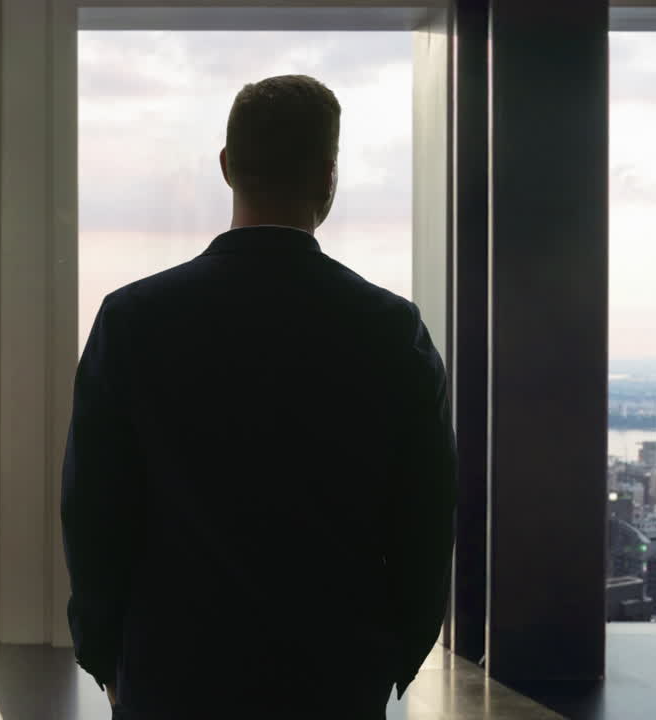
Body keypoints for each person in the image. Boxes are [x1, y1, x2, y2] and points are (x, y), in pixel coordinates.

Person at [61, 74, 457, 719]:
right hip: (333, 671)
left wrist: (106, 653)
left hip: (172, 669)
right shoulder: (391, 329)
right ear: (328, 176)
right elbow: (427, 513)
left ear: (227, 166)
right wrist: (395, 654)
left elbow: (93, 508)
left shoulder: (132, 319)